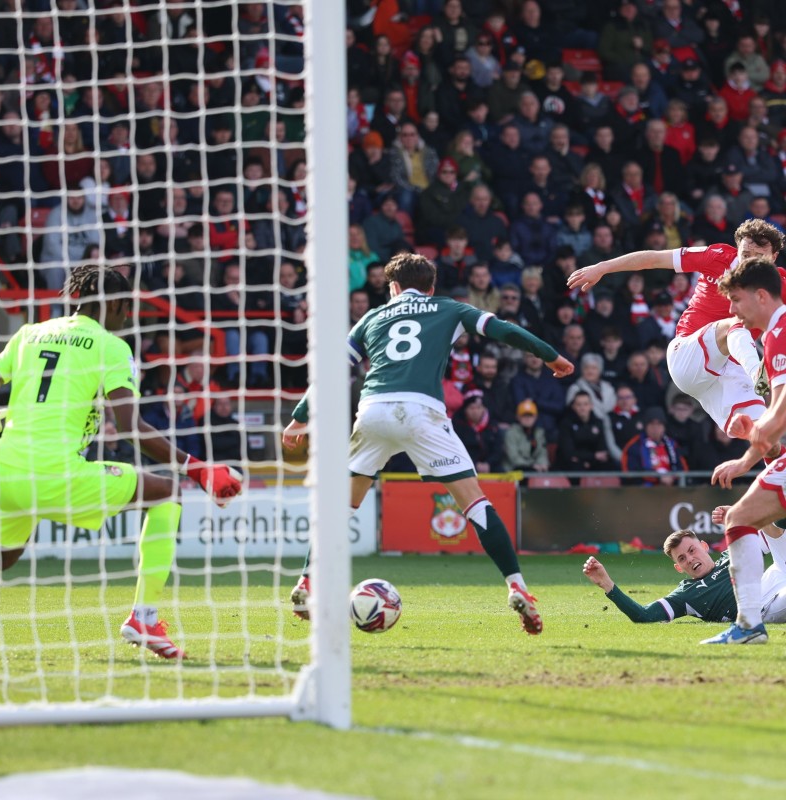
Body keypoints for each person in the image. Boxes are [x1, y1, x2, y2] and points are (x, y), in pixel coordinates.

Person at [282, 253, 574, 635]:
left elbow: (332, 372)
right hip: (421, 411)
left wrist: (300, 418)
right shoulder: (449, 307)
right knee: (476, 504)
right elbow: (504, 330)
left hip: (372, 410)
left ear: (393, 288)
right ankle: (516, 586)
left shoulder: (372, 317)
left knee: (342, 506)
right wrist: (550, 356)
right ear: (431, 287)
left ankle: (306, 581)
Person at [0, 265, 242, 660]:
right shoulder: (110, 347)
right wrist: (196, 468)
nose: (128, 317)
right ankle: (144, 616)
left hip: (5, 471)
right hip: (56, 472)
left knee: (2, 554)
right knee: (166, 492)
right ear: (118, 303)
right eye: (127, 307)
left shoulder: (29, 333)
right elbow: (129, 427)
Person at [567, 220, 785, 441]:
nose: (749, 263)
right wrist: (602, 268)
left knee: (768, 439)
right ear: (737, 249)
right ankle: (758, 373)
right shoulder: (716, 256)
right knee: (735, 324)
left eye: (759, 257)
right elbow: (654, 259)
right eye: (745, 255)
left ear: (774, 257)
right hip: (688, 356)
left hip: (726, 374)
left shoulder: (780, 285)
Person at [703, 258, 786, 644]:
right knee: (739, 518)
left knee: (738, 518)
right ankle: (749, 625)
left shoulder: (781, 332)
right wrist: (754, 437)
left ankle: (750, 626)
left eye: (736, 300)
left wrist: (743, 459)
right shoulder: (772, 337)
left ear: (761, 295)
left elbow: (781, 412)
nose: (732, 310)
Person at [583, 519, 786, 626]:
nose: (689, 559)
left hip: (776, 577)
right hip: (762, 607)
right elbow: (643, 615)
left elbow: (773, 534)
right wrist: (607, 584)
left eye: (692, 551)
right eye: (682, 559)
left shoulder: (731, 554)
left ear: (704, 546)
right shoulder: (687, 595)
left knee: (775, 520)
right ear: (678, 568)